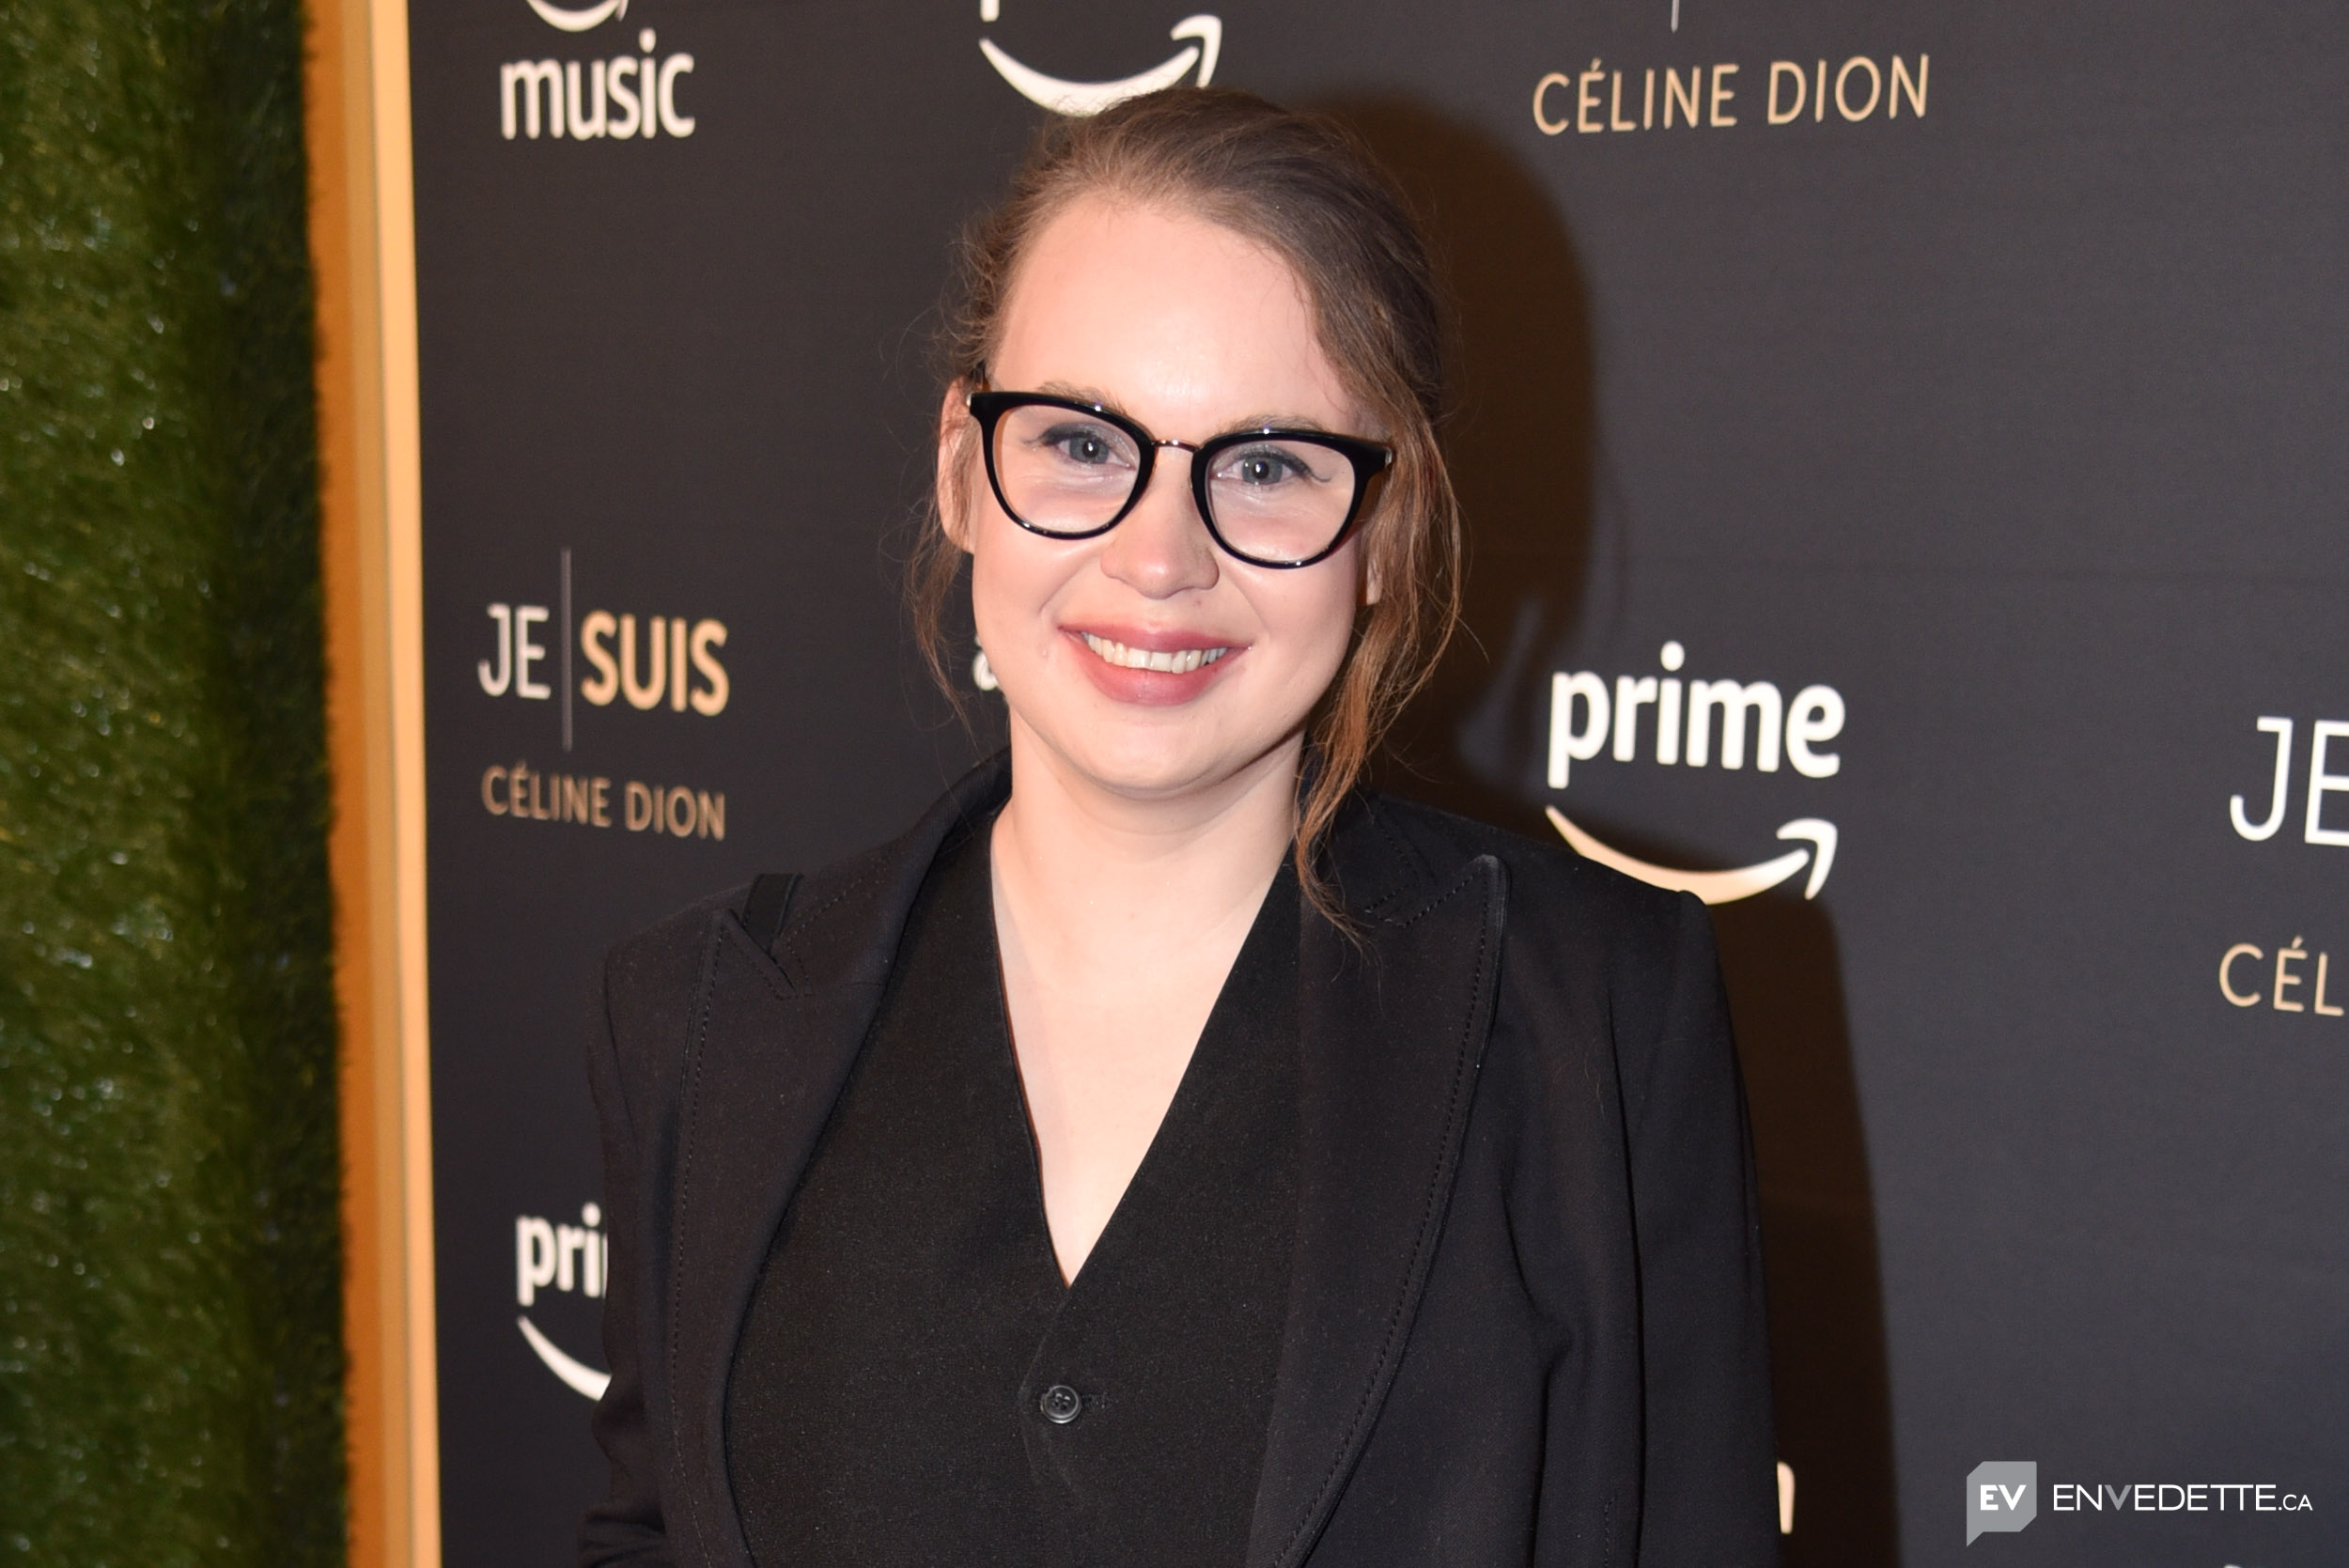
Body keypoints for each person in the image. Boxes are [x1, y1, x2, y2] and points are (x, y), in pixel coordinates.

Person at [580, 87, 1778, 1568]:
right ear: (964, 464)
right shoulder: (696, 1017)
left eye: (1267, 465)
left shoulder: (1599, 1017)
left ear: (1386, 534)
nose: (1159, 557)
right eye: (1083, 443)